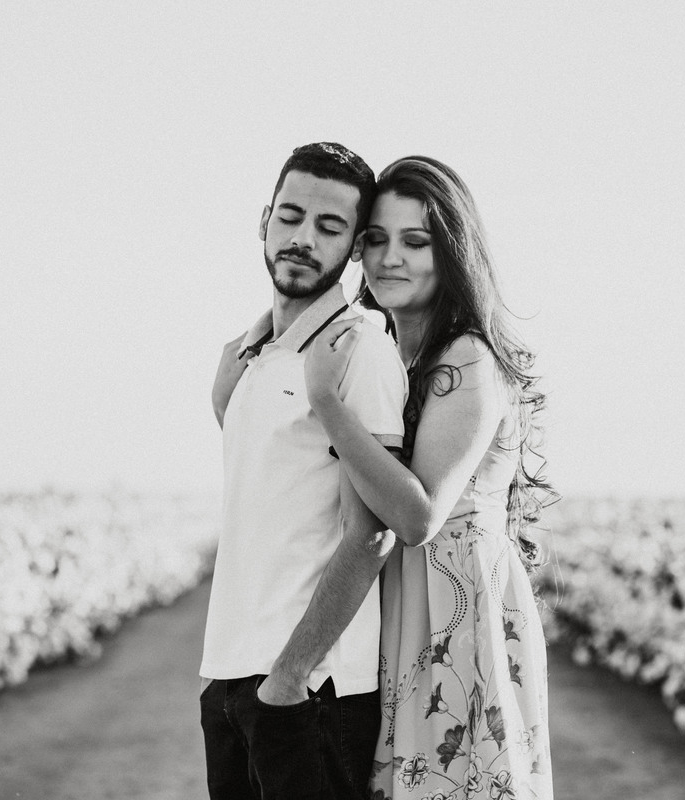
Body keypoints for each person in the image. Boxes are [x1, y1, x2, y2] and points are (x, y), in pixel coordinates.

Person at [302, 156, 555, 798]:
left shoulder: (466, 356)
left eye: (415, 242)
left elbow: (418, 516)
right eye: (376, 239)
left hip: (456, 606)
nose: (391, 258)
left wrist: (328, 403)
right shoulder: (390, 357)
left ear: (452, 252)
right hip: (406, 603)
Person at [200, 142, 409, 799]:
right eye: (290, 217)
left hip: (312, 688)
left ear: (355, 248)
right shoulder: (247, 356)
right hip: (232, 677)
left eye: (329, 227)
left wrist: (289, 676)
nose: (302, 239)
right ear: (265, 221)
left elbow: (371, 532)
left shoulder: (358, 348)